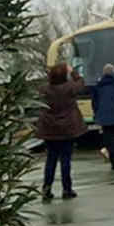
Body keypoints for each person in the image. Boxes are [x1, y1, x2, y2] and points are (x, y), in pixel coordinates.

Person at [35, 63, 87, 201]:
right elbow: (81, 83)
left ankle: (46, 189)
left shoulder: (45, 89)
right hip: (67, 128)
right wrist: (73, 71)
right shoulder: (70, 87)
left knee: (50, 159)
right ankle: (67, 189)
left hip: (50, 128)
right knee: (66, 159)